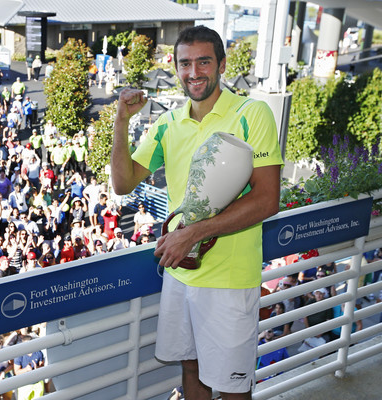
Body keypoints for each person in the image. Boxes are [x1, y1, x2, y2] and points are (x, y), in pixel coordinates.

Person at [110, 26, 283, 399]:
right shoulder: (168, 123)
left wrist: (193, 232)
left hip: (231, 284)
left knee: (233, 388)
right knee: (192, 370)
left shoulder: (252, 114)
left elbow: (268, 199)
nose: (194, 72)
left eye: (203, 61)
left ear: (221, 64)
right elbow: (123, 184)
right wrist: (121, 120)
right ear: (175, 67)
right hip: (181, 276)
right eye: (185, 63)